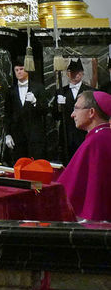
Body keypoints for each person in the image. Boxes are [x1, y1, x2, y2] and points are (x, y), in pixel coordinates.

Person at [56, 90, 111, 221]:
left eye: (76, 108)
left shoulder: (94, 142)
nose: (72, 114)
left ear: (91, 112)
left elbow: (68, 188)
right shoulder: (105, 136)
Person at [2, 58, 48, 163]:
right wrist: (8, 134)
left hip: (35, 136)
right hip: (17, 137)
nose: (19, 72)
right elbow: (7, 114)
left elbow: (45, 110)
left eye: (21, 69)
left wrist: (35, 102)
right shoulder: (11, 91)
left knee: (36, 166)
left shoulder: (38, 88)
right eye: (16, 70)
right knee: (20, 166)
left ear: (27, 70)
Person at [56, 58, 91, 163]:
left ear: (82, 73)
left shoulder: (89, 92)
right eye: (71, 72)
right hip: (67, 133)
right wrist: (58, 105)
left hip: (83, 133)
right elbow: (55, 115)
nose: (75, 75)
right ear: (68, 74)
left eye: (77, 72)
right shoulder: (61, 91)